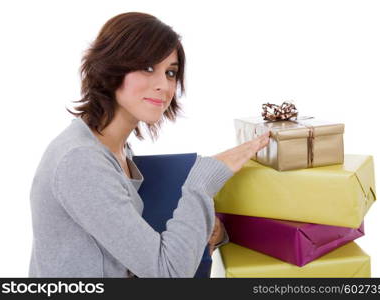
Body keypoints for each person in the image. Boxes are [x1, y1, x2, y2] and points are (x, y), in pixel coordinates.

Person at [28, 12, 270, 278]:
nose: (163, 86)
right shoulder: (82, 160)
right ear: (110, 67)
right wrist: (202, 180)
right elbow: (167, 275)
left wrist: (207, 229)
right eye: (147, 67)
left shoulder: (116, 149)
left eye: (170, 72)